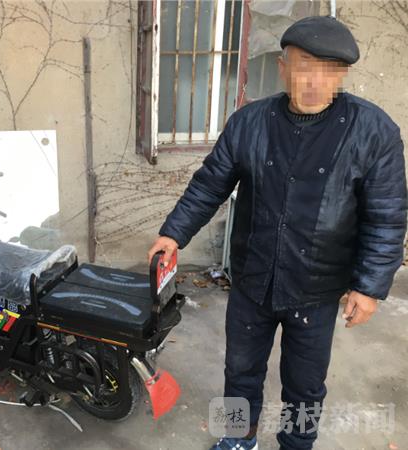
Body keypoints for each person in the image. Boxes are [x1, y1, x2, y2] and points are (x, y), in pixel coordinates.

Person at [147, 15, 407, 450]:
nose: (314, 81)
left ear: (341, 75)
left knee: (305, 383)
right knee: (239, 369)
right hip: (253, 278)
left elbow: (386, 215)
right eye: (304, 66)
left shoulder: (373, 132)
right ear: (283, 67)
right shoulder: (249, 122)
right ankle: (237, 436)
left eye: (328, 70)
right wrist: (174, 233)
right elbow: (210, 184)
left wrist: (370, 288)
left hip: (317, 287)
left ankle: (296, 444)